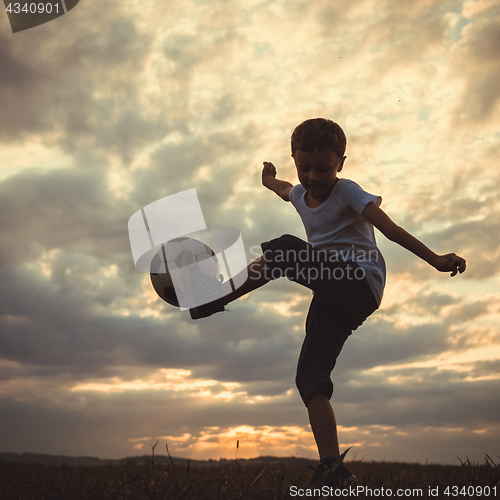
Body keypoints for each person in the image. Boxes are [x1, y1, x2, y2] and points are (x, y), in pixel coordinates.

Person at [189, 118, 466, 488]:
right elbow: (285, 188)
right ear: (295, 159)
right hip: (332, 292)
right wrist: (269, 180)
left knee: (285, 250)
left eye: (323, 168)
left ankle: (213, 296)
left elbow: (390, 229)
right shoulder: (301, 193)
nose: (313, 176)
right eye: (305, 167)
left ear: (341, 163)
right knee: (310, 378)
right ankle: (334, 469)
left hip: (358, 281)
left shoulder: (348, 192)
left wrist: (435, 259)